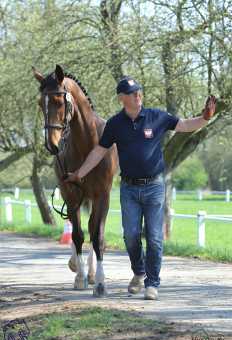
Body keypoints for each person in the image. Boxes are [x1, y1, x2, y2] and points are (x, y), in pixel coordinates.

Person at [65, 76, 216, 300]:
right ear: (121, 98)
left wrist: (204, 118)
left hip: (154, 187)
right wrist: (79, 174)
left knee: (154, 238)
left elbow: (184, 125)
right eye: (131, 92)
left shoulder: (157, 116)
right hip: (129, 189)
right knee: (131, 236)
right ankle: (139, 271)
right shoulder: (115, 124)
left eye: (138, 91)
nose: (137, 95)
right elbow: (98, 151)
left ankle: (152, 283)